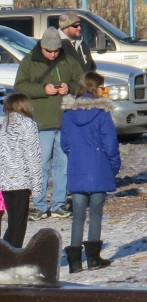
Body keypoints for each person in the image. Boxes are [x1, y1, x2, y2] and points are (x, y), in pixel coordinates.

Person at [14, 26, 84, 220]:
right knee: (40, 165)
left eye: (56, 51)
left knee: (63, 165)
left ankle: (59, 204)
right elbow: (19, 87)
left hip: (65, 121)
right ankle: (39, 205)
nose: (53, 55)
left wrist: (69, 87)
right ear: (42, 47)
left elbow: (83, 82)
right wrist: (42, 89)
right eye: (49, 51)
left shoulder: (68, 60)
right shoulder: (29, 62)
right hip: (40, 123)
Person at [60, 72, 120, 272]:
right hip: (98, 167)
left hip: (77, 169)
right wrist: (113, 167)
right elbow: (111, 144)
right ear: (95, 88)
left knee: (77, 216)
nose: (104, 91)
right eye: (102, 87)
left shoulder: (68, 113)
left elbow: (65, 144)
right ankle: (93, 258)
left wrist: (76, 156)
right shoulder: (102, 114)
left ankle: (75, 261)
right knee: (95, 213)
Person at [0, 93, 43, 248]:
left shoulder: (4, 126)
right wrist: (38, 187)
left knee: (13, 222)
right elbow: (33, 156)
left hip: (5, 182)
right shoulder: (28, 124)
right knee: (18, 225)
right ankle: (11, 258)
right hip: (21, 181)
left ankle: (6, 254)